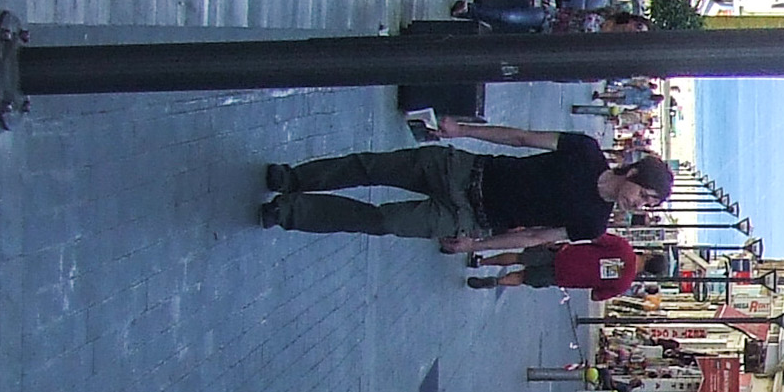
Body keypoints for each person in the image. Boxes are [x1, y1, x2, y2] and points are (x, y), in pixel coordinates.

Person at [263, 122, 671, 248]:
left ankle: (288, 211)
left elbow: (531, 237)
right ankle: (295, 178)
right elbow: (521, 138)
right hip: (463, 170)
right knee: (370, 166)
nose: (639, 204)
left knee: (382, 221)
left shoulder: (593, 224)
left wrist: (474, 246)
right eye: (644, 195)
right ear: (633, 174)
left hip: (467, 215)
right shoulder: (585, 150)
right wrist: (461, 129)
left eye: (647, 205)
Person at [466, 234, 671, 303]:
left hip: (563, 254)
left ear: (650, 254)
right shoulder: (623, 283)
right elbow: (596, 297)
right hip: (563, 277)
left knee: (520, 257)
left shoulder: (623, 247)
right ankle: (497, 282)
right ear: (648, 273)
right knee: (522, 277)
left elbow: (595, 236)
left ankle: (481, 262)